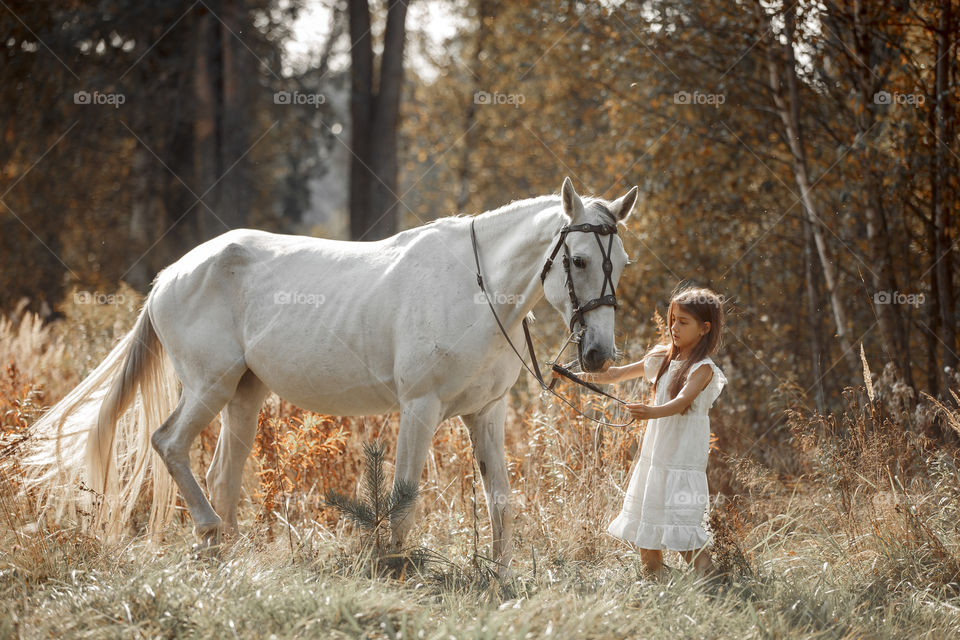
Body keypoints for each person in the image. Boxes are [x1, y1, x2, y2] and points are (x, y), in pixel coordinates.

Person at [580, 286, 727, 580]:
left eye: (683, 322)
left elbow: (682, 402)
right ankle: (656, 582)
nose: (674, 327)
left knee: (682, 528)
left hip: (681, 458)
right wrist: (576, 375)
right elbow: (616, 374)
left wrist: (650, 413)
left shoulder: (703, 369)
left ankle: (712, 582)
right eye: (673, 319)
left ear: (704, 328)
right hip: (656, 456)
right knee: (647, 525)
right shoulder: (661, 358)